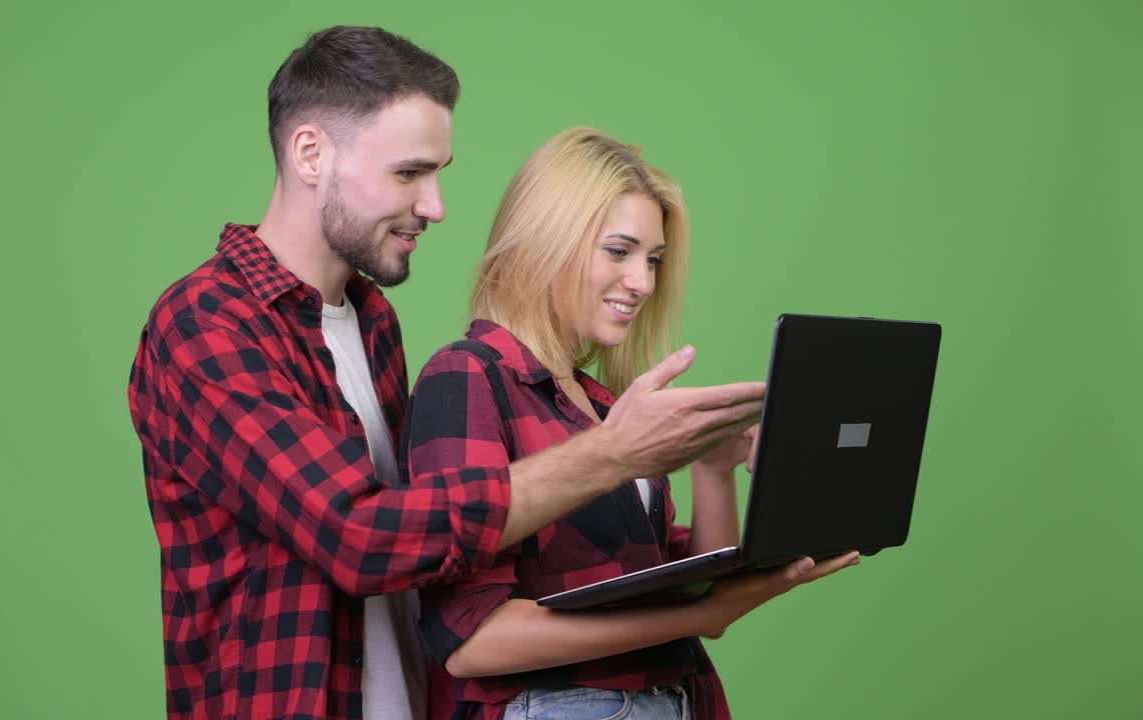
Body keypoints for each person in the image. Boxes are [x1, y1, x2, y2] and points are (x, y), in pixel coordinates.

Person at [128, 26, 767, 720]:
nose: (436, 206)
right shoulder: (207, 323)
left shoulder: (372, 323)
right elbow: (359, 538)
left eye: (438, 174)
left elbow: (447, 554)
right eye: (409, 173)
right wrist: (613, 455)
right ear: (311, 152)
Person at [402, 128, 859, 720]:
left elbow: (678, 581)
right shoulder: (465, 377)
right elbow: (472, 640)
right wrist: (698, 619)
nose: (642, 282)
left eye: (654, 260)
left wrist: (714, 469)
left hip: (667, 699)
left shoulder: (603, 404)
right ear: (546, 241)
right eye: (619, 251)